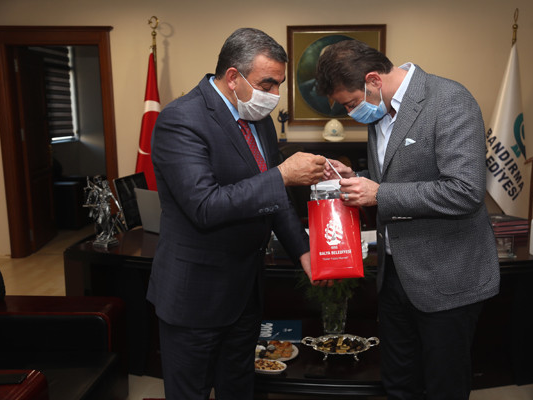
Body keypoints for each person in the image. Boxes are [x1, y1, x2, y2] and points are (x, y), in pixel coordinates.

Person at [146, 28, 326, 400]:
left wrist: (304, 251)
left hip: (245, 292)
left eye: (279, 85)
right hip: (195, 296)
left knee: (239, 387)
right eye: (267, 84)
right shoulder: (181, 120)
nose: (274, 95)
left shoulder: (257, 120)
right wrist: (282, 175)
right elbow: (205, 206)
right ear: (233, 77)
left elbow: (274, 198)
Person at [317, 39, 500, 399]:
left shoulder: (449, 100)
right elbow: (396, 176)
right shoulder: (380, 109)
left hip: (446, 278)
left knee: (443, 387)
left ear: (373, 80)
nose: (352, 113)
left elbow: (465, 191)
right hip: (394, 276)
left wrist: (379, 194)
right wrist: (355, 176)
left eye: (351, 103)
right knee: (399, 383)